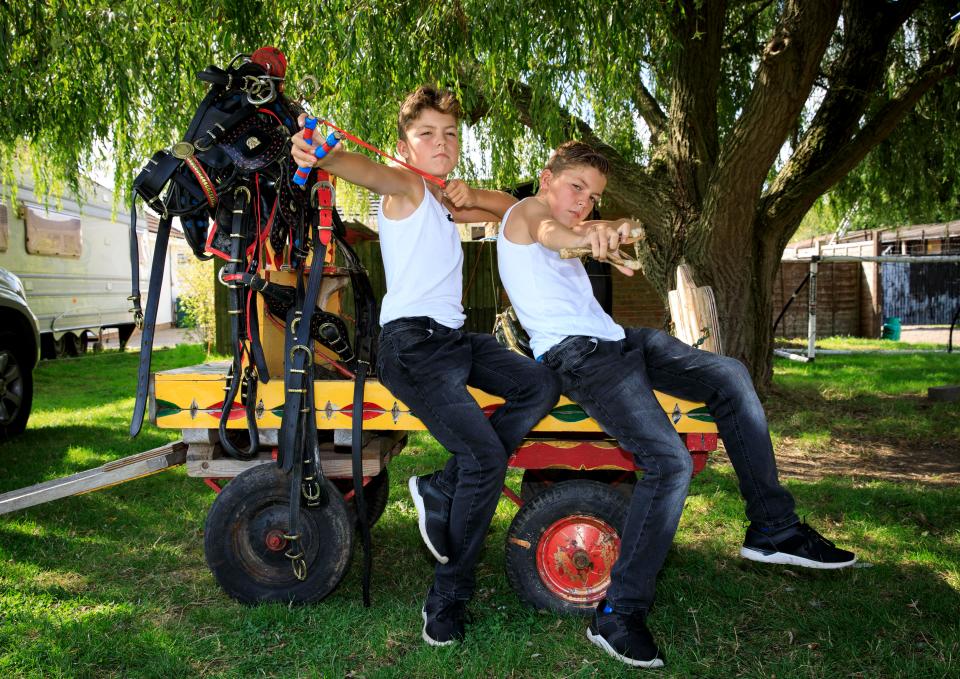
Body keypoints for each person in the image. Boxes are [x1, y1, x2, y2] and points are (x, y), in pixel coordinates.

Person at [493, 141, 856, 668]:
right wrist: (590, 232)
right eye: (576, 188)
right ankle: (617, 614)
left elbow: (550, 222)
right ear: (546, 179)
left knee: (730, 376)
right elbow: (559, 234)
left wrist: (608, 227)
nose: (583, 203)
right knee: (668, 463)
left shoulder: (540, 212)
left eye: (593, 197)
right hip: (581, 356)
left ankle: (774, 529)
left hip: (617, 340)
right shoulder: (529, 213)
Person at [290, 85, 560, 647]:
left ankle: (442, 487)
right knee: (486, 456)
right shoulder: (406, 186)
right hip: (410, 345)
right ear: (404, 147)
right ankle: (447, 596)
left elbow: (513, 210)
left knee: (537, 384)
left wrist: (468, 195)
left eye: (450, 134)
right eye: (426, 135)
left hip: (456, 339)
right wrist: (325, 155)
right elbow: (369, 172)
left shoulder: (440, 201)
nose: (440, 144)